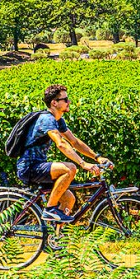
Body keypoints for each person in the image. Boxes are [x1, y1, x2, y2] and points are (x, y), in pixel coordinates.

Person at [16, 84, 111, 223]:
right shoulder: (46, 119)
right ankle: (50, 209)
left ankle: (55, 239)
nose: (69, 102)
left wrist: (97, 157)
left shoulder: (58, 120)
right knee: (70, 168)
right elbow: (60, 143)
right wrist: (83, 164)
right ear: (54, 102)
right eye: (65, 99)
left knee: (69, 199)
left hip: (39, 165)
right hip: (29, 167)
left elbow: (74, 142)